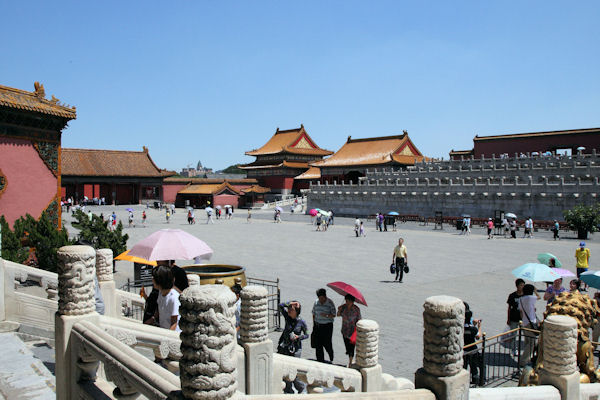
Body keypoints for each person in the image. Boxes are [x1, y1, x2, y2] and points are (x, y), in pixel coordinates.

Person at [278, 301, 308, 394]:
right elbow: (280, 306)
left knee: (294, 369)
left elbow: (307, 335)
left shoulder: (301, 322)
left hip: (296, 349)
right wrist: (291, 302)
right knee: (286, 369)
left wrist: (298, 337)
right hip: (285, 347)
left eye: (292, 309)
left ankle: (301, 387)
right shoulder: (287, 317)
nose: (289, 310)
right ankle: (288, 389)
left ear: (296, 312)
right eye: (289, 308)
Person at [149, 265, 181, 332]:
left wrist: (168, 338)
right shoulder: (160, 292)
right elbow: (159, 309)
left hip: (173, 335)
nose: (152, 279)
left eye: (154, 278)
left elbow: (174, 323)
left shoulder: (173, 298)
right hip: (163, 330)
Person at [312, 288, 336, 363]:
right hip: (318, 325)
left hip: (327, 326)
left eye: (322, 298)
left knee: (327, 343)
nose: (321, 300)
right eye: (319, 298)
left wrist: (326, 315)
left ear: (325, 296)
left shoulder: (330, 303)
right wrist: (314, 324)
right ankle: (320, 360)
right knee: (318, 344)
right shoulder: (316, 302)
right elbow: (313, 313)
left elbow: (334, 314)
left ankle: (331, 355)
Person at [337, 294, 361, 367]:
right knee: (347, 347)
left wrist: (358, 329)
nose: (347, 302)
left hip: (352, 331)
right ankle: (349, 355)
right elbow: (338, 315)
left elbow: (359, 319)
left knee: (351, 348)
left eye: (349, 301)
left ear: (353, 301)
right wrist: (339, 310)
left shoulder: (356, 309)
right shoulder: (343, 307)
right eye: (346, 300)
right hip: (344, 330)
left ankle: (350, 362)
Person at [518, 284, 538, 366]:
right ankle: (523, 361)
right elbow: (539, 297)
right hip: (531, 322)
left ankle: (527, 358)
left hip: (524, 322)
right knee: (531, 343)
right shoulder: (531, 298)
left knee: (527, 342)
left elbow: (521, 311)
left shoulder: (521, 299)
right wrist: (536, 291)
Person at [463, 302, 483, 384]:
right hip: (473, 349)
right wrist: (479, 327)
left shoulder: (461, 328)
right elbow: (478, 336)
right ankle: (475, 380)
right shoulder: (473, 329)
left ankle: (462, 380)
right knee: (473, 366)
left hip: (464, 349)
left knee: (463, 366)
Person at [506, 279, 525, 354]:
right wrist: (508, 318)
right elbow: (509, 308)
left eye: (523, 285)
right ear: (517, 286)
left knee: (526, 334)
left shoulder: (525, 296)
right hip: (514, 317)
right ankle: (514, 349)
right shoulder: (512, 295)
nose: (522, 287)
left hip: (523, 318)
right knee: (513, 334)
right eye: (521, 285)